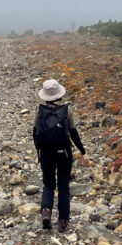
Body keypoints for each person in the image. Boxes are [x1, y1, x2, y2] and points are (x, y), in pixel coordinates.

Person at [32, 78, 86, 232]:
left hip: (46, 153)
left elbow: (35, 133)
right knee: (63, 188)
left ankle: (46, 213)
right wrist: (83, 152)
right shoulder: (67, 111)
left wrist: (40, 149)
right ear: (59, 94)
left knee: (48, 185)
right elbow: (74, 134)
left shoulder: (40, 111)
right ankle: (63, 221)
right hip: (64, 154)